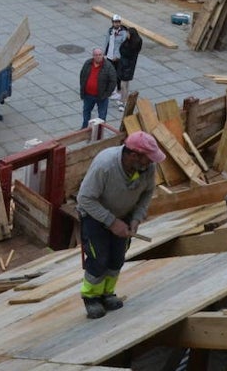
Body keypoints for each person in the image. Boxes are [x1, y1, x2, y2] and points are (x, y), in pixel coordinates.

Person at [76, 132, 165, 319]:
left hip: (124, 214)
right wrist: (111, 222)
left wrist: (136, 218)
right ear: (134, 155)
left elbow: (147, 193)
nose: (150, 163)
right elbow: (84, 198)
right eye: (147, 159)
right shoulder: (105, 165)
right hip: (95, 215)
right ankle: (91, 297)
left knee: (117, 258)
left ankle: (107, 293)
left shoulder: (147, 168)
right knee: (98, 257)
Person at [79, 48, 118, 128]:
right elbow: (82, 75)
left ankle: (99, 131)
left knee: (102, 116)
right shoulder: (88, 63)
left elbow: (113, 81)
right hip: (88, 95)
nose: (98, 57)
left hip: (101, 96)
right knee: (86, 112)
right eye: (96, 55)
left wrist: (107, 94)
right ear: (93, 56)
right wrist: (83, 88)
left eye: (100, 55)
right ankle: (84, 128)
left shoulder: (108, 66)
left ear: (103, 55)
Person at [105, 15, 142, 97]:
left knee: (118, 76)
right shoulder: (110, 31)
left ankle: (119, 92)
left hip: (118, 58)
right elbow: (107, 42)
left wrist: (118, 56)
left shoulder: (123, 33)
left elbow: (123, 46)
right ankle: (113, 90)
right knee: (110, 73)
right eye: (115, 22)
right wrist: (105, 52)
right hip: (109, 55)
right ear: (112, 22)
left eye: (118, 22)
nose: (117, 24)